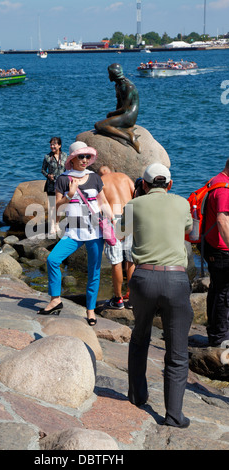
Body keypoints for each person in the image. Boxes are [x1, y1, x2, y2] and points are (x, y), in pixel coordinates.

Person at [119, 163, 194, 428]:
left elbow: (119, 233)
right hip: (175, 279)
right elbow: (192, 232)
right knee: (177, 350)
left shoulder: (134, 205)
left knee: (140, 337)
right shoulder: (182, 203)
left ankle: (138, 396)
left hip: (143, 278)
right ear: (169, 184)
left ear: (145, 184)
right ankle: (174, 415)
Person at [37, 141, 113, 325]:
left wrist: (114, 220)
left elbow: (103, 202)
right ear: (72, 158)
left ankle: (90, 310)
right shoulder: (63, 179)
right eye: (81, 156)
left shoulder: (94, 177)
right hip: (74, 231)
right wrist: (69, 196)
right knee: (53, 259)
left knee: (94, 271)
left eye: (87, 156)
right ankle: (55, 300)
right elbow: (57, 206)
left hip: (95, 231)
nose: (85, 160)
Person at [98, 166, 135, 309]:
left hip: (113, 220)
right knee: (131, 260)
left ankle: (118, 299)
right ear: (112, 169)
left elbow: (99, 205)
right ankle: (131, 298)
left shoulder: (100, 181)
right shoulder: (124, 176)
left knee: (116, 261)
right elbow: (136, 194)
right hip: (130, 217)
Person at [203, 159, 229, 347]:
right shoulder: (224, 190)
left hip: (211, 244)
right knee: (224, 292)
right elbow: (222, 220)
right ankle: (221, 337)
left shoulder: (215, 180)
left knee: (216, 288)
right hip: (222, 249)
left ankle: (213, 332)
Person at [94, 63, 140, 153]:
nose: (108, 76)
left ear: (114, 74)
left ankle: (130, 138)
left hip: (129, 116)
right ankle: (124, 133)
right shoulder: (118, 86)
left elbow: (125, 109)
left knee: (99, 125)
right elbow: (119, 104)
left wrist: (111, 114)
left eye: (109, 74)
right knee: (101, 124)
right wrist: (113, 117)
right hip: (124, 114)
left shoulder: (128, 87)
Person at [41, 137, 68, 234]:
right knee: (52, 206)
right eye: (51, 144)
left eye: (54, 144)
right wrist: (48, 175)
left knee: (60, 206)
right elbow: (42, 170)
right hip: (51, 185)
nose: (52, 146)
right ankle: (52, 226)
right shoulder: (47, 157)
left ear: (59, 145)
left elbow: (68, 169)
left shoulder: (65, 156)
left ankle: (57, 223)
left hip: (62, 185)